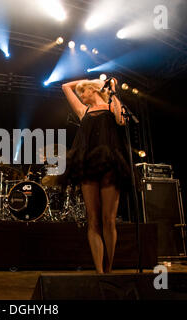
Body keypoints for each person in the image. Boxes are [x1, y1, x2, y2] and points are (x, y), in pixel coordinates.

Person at [61, 78, 130, 274]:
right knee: (93, 219)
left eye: (84, 92)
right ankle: (99, 272)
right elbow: (66, 87)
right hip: (88, 167)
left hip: (110, 166)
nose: (81, 96)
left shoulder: (111, 105)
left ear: (94, 90)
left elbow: (122, 120)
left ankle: (109, 269)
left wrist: (112, 88)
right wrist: (91, 80)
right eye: (81, 93)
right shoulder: (84, 112)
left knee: (109, 219)